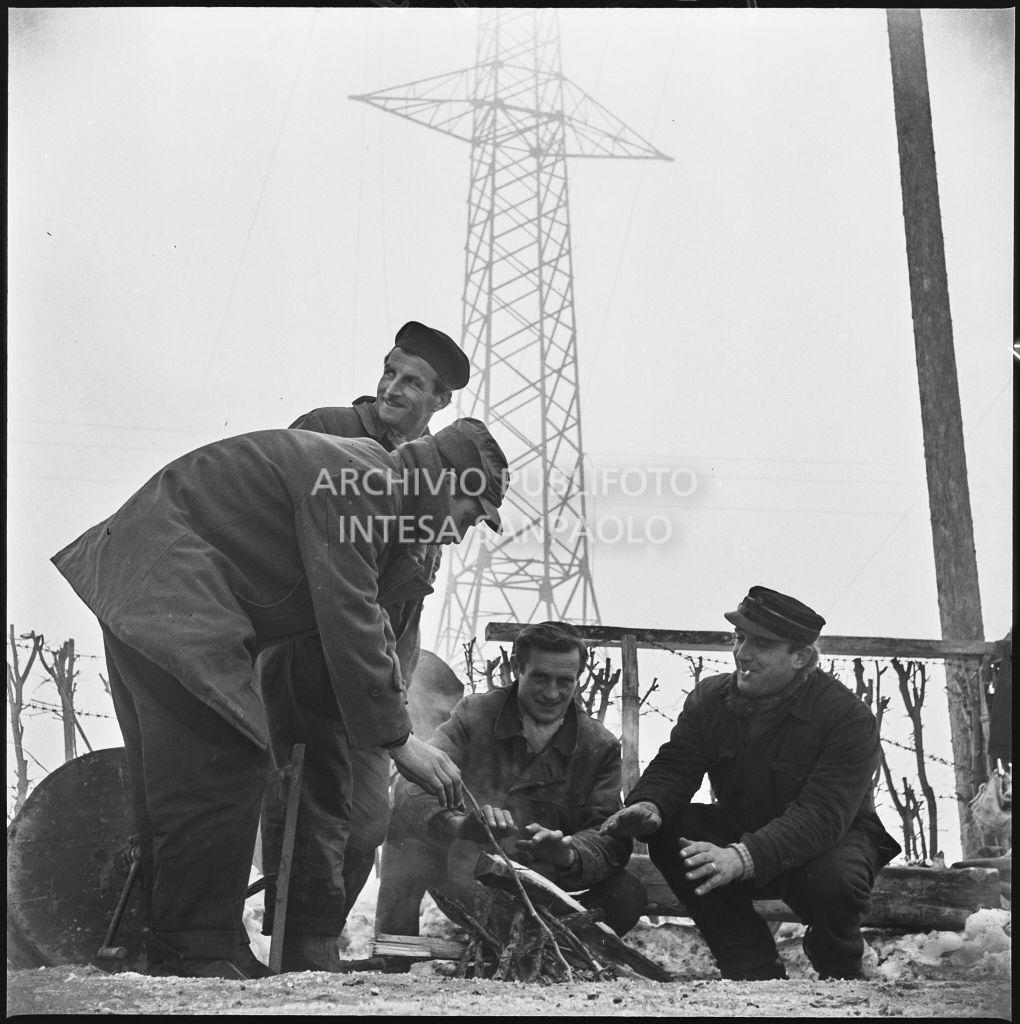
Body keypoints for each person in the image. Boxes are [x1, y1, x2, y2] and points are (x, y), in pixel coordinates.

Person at [51, 417, 509, 980]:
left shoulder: (370, 486)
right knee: (226, 753)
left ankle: (184, 943)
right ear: (445, 483)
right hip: (170, 583)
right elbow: (351, 615)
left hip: (146, 577)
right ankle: (201, 949)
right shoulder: (367, 485)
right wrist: (400, 740)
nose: (460, 534)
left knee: (176, 779)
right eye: (469, 515)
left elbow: (368, 621)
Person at [257, 320, 471, 969]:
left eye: (413, 382)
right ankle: (302, 952)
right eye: (389, 371)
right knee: (312, 809)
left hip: (371, 683)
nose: (392, 388)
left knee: (369, 820)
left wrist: (395, 697)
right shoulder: (327, 429)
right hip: (307, 658)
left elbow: (405, 603)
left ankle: (316, 937)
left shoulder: (434, 470)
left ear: (440, 401)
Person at [600, 586, 902, 982]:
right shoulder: (711, 698)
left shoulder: (847, 717)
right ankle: (751, 966)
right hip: (747, 827)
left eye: (760, 644)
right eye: (739, 638)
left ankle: (839, 967)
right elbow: (677, 764)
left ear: (800, 657)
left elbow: (823, 814)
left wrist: (742, 857)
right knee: (674, 832)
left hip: (833, 839)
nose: (742, 653)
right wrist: (650, 806)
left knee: (834, 881)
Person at [375, 620, 647, 945]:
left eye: (565, 681)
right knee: (405, 823)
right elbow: (412, 786)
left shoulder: (599, 745)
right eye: (540, 678)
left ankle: (543, 950)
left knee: (627, 892)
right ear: (518, 667)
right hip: (467, 880)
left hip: (549, 893)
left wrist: (568, 853)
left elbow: (610, 837)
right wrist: (460, 824)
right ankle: (395, 951)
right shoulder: (475, 714)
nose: (552, 693)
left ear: (578, 677)